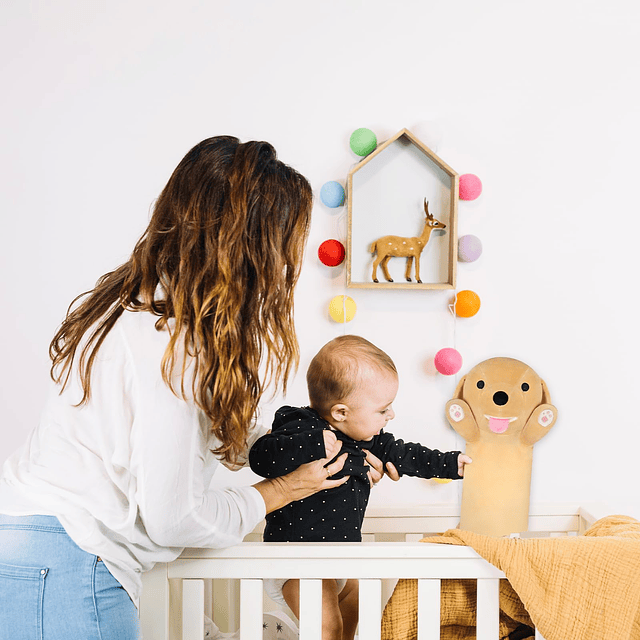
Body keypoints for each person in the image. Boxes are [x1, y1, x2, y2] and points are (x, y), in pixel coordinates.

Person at [0, 136, 384, 640]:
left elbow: (222, 433)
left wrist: (314, 450)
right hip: (70, 561)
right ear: (249, 246)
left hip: (35, 548)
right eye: (287, 245)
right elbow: (175, 518)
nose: (291, 266)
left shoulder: (139, 313)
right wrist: (282, 490)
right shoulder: (175, 348)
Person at [249, 334, 472, 640]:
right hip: (298, 557)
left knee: (355, 611)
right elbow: (262, 456)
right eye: (383, 409)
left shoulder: (368, 439)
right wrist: (311, 444)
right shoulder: (301, 424)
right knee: (328, 629)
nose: (390, 415)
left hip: (340, 557)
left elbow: (408, 455)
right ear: (341, 412)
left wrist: (451, 463)